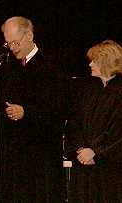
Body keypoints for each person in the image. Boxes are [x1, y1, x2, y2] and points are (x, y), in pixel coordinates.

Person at [0, 16, 64, 202]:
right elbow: (1, 106)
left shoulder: (51, 67)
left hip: (38, 155)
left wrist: (26, 112)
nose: (12, 48)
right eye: (8, 43)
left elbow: (59, 110)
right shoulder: (6, 68)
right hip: (11, 155)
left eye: (15, 42)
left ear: (28, 35)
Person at [66, 40, 122, 202]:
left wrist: (96, 152)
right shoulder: (89, 90)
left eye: (95, 60)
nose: (90, 64)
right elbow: (74, 122)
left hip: (111, 168)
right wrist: (81, 148)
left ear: (107, 61)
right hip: (84, 164)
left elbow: (117, 132)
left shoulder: (119, 91)